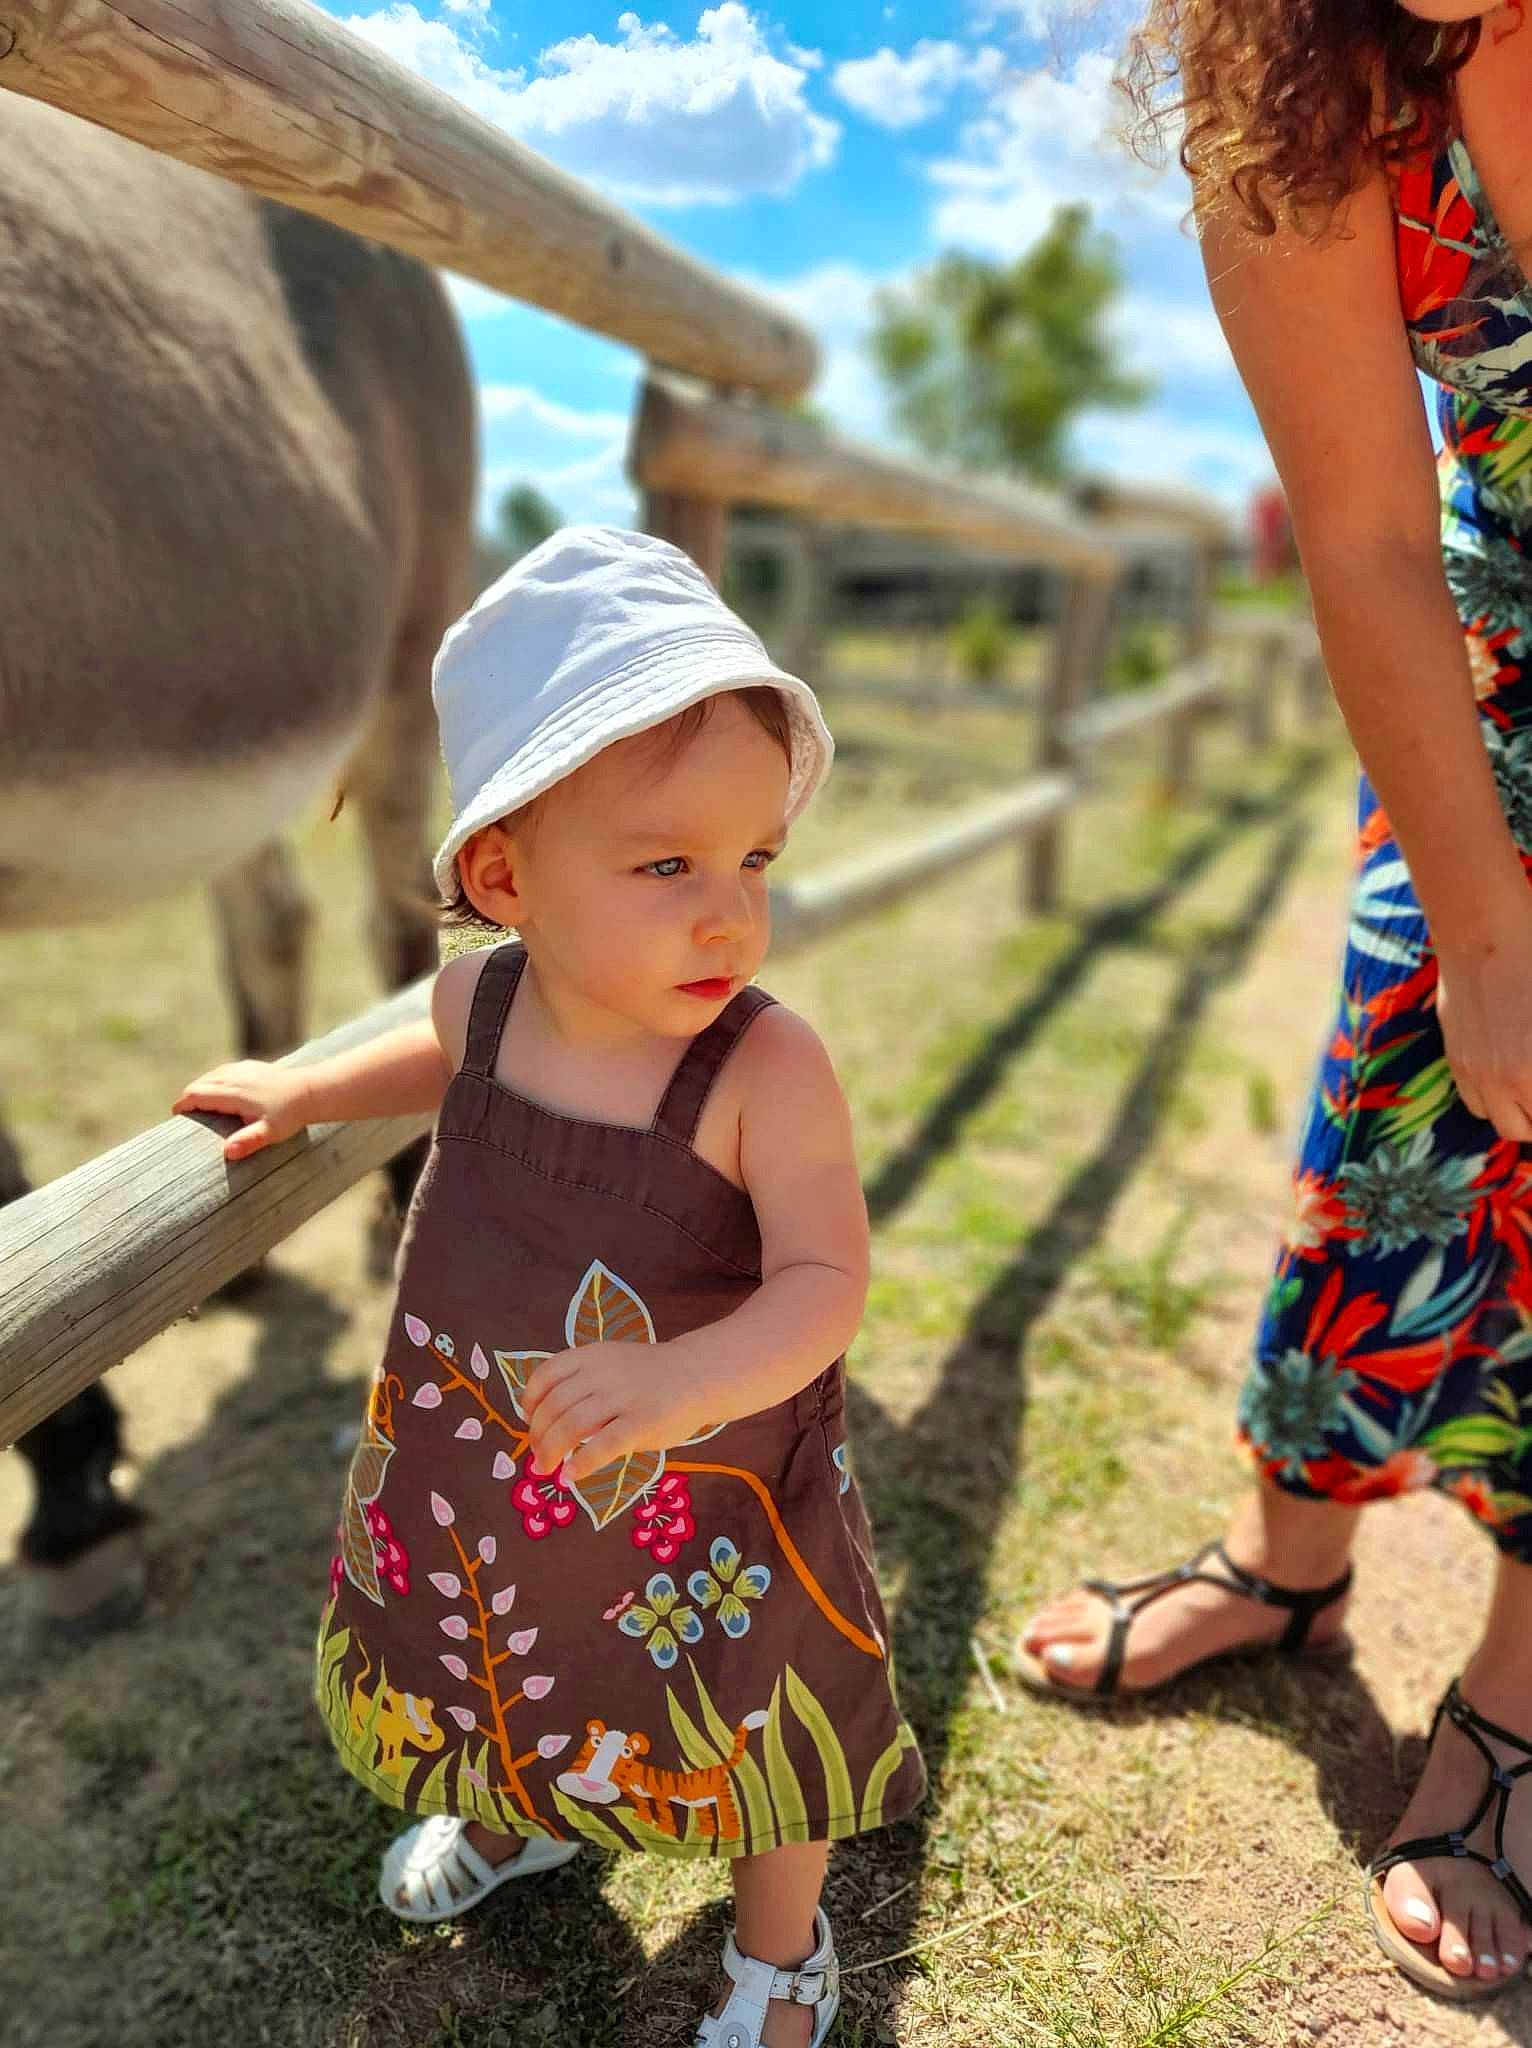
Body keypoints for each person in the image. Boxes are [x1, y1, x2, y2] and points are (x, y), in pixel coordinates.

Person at [174, 526, 925, 2048]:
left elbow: (828, 1282)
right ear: (504, 873)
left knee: (761, 1708)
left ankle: (780, 1951)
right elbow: (427, 1048)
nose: (730, 913)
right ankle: (529, 1813)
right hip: (495, 1458)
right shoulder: (487, 995)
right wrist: (305, 1094)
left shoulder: (761, 1065)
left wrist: (681, 1382)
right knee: (511, 1651)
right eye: (668, 865)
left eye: (754, 859)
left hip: (713, 1486)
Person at [1017, 0, 1532, 2005]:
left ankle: (1511, 1695)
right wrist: (1486, 932)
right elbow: (1371, 538)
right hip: (1484, 677)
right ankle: (1288, 1573)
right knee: (1392, 1125)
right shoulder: (1304, 107)